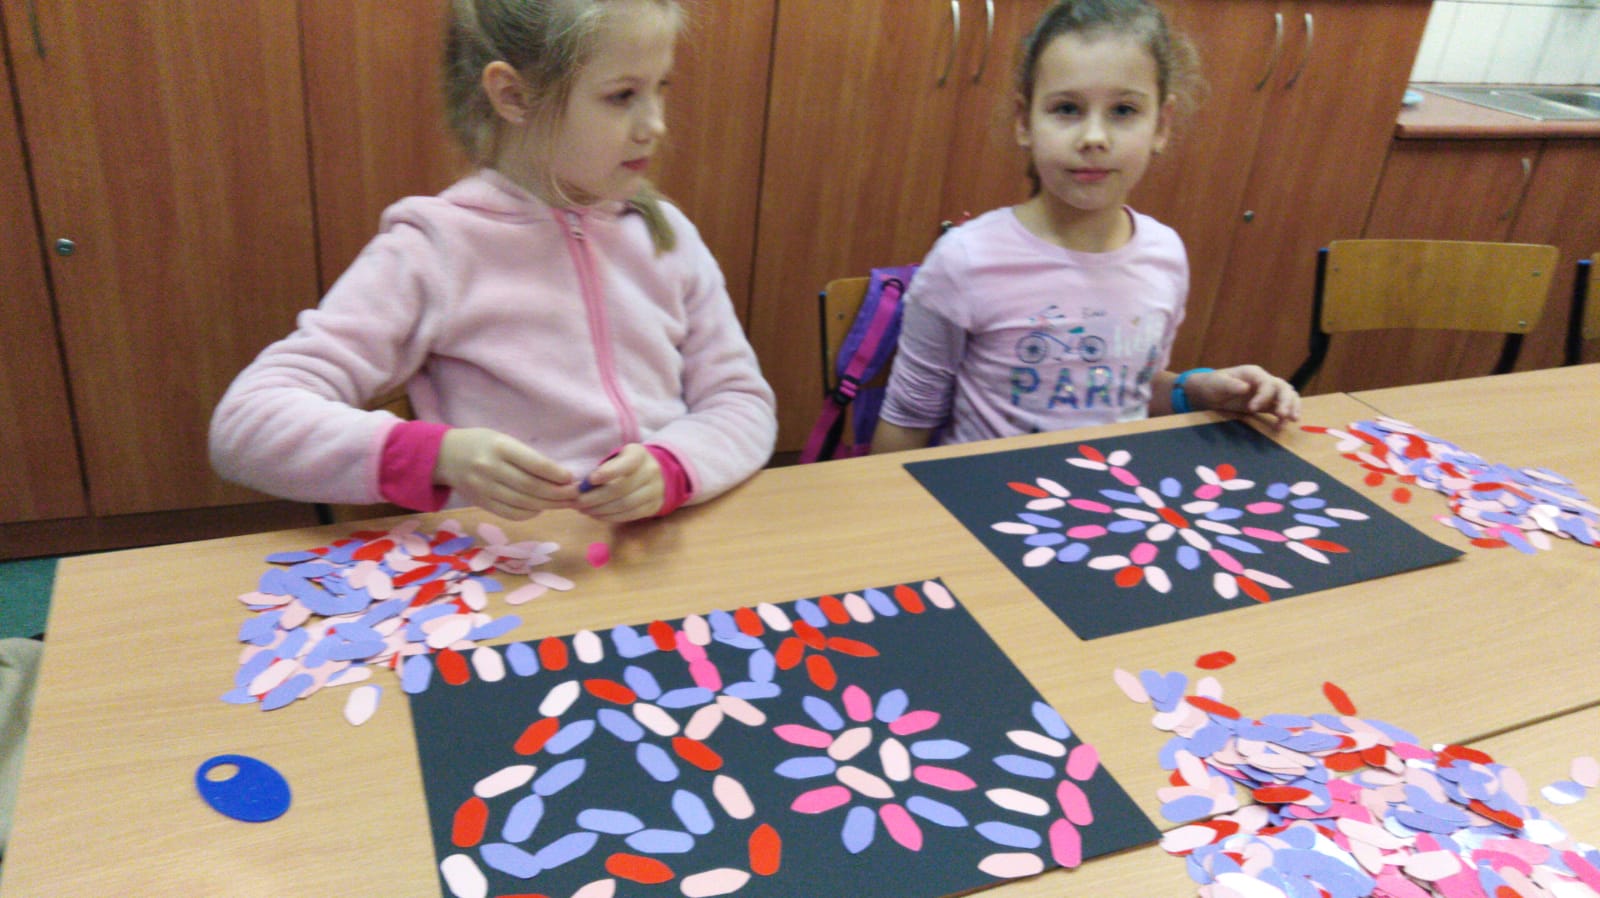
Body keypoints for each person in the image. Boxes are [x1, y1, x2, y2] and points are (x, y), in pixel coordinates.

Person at [211, 0, 776, 523]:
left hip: (669, 553)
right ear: (513, 96)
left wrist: (674, 466)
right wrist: (440, 457)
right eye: (622, 95)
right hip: (514, 570)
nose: (655, 124)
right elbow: (247, 424)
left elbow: (740, 402)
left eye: (660, 88)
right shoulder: (434, 250)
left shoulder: (666, 237)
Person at [872, 0, 1300, 454]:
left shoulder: (1165, 255)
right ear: (1024, 122)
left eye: (1123, 110)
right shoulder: (965, 260)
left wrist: (1199, 390)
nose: (1094, 137)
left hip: (1113, 486)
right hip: (988, 492)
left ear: (1161, 125)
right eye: (1067, 108)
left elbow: (1124, 390)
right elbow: (905, 424)